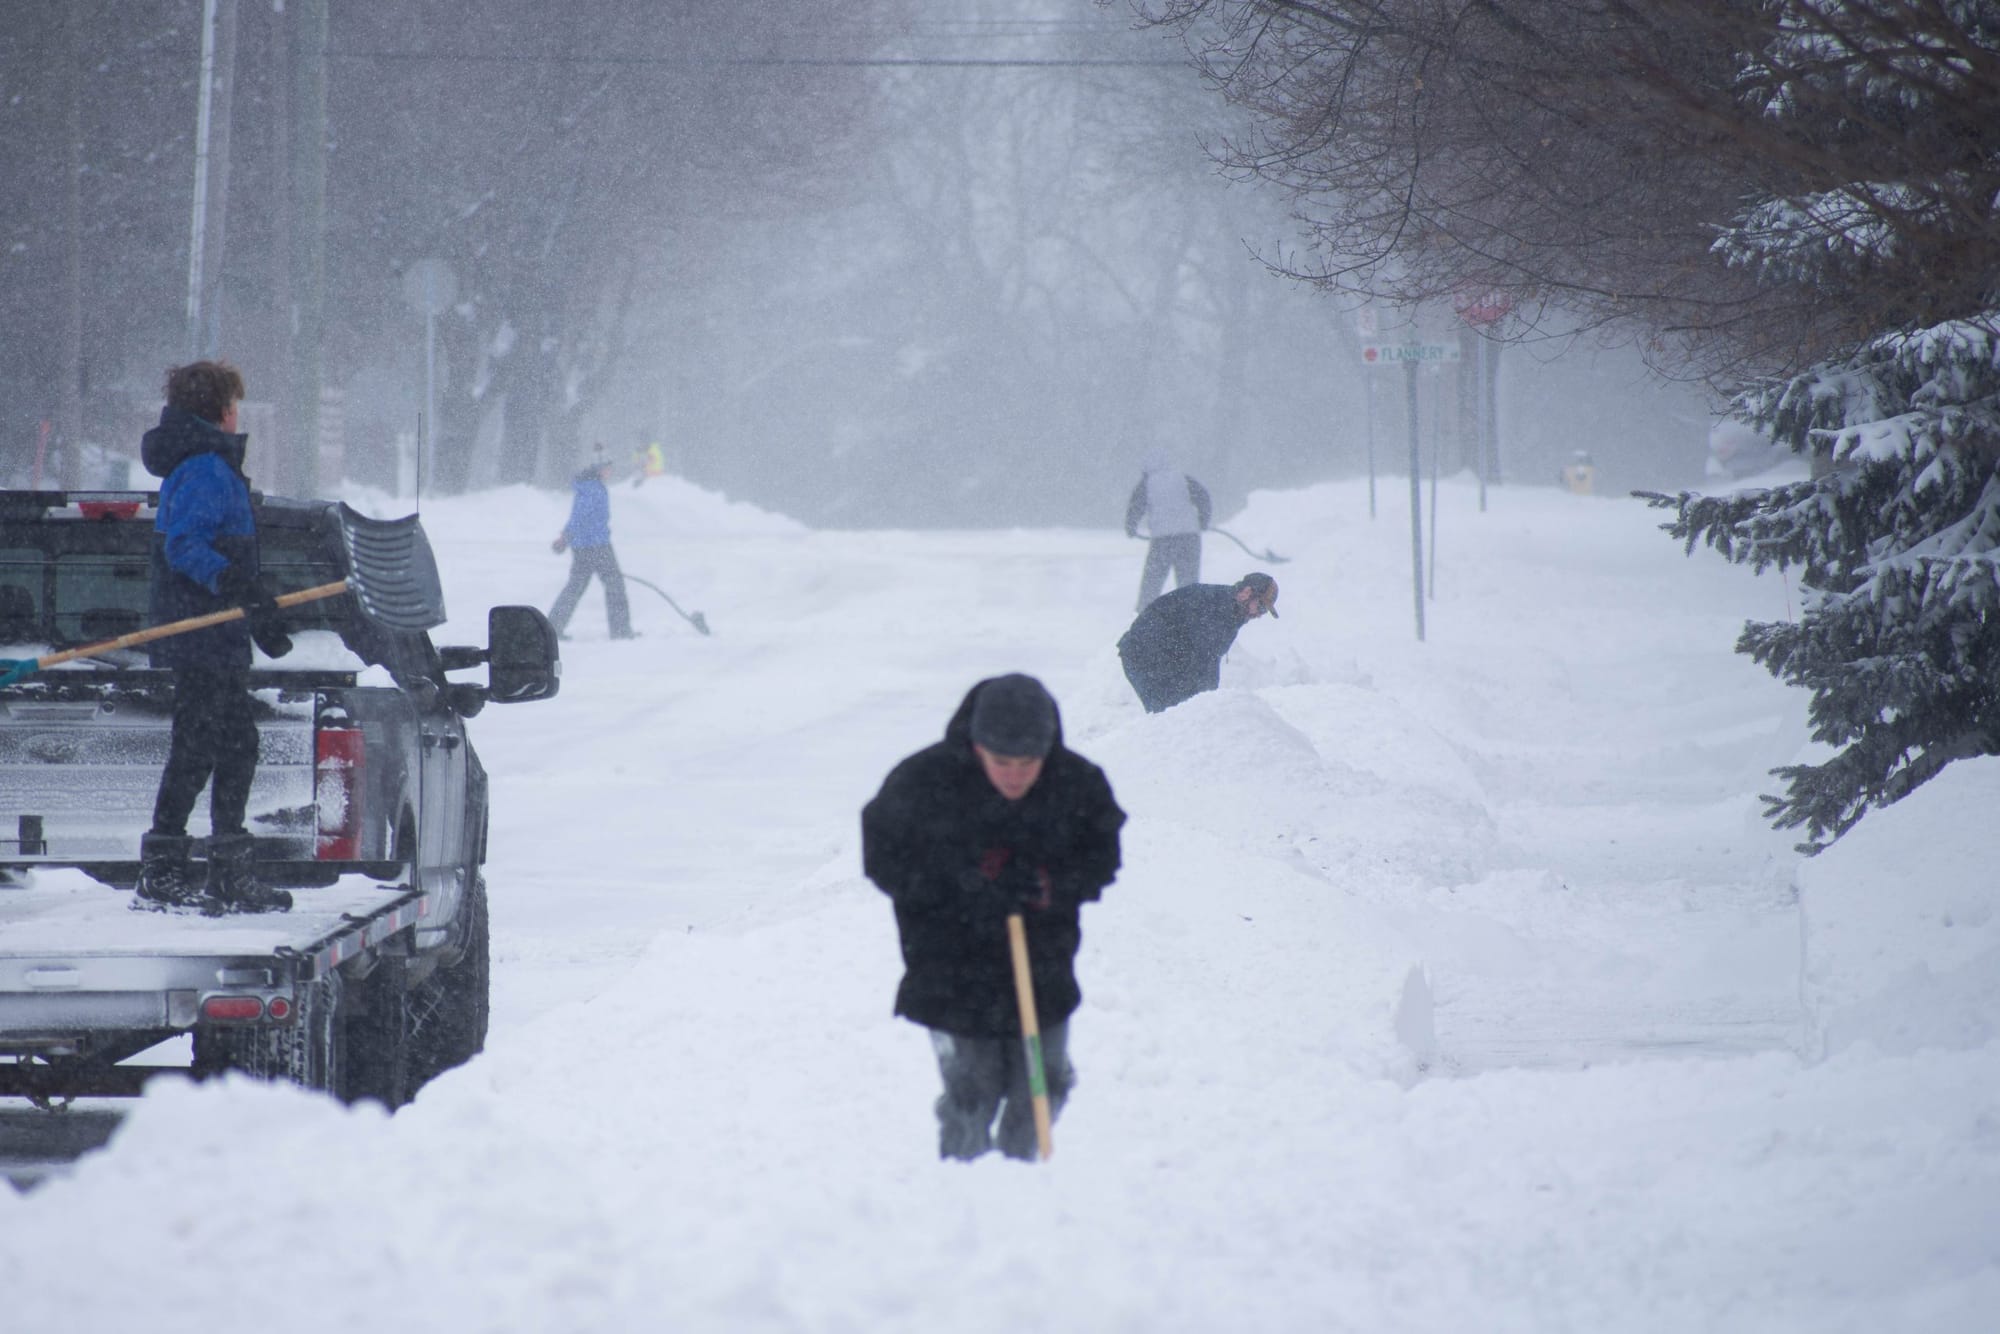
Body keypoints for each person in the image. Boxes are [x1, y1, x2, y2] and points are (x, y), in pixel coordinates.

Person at [861, 674, 1126, 1163]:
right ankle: (968, 1182)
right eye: (1001, 762)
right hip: (951, 968)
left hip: (1042, 963)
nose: (1015, 776)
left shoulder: (1075, 784)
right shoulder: (923, 783)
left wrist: (1049, 884)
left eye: (1028, 763)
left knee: (1043, 1085)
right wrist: (965, 885)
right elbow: (884, 858)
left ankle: (1023, 1176)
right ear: (977, 746)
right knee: (973, 1090)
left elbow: (1101, 854)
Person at [133, 360, 295, 914]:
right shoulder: (205, 468)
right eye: (235, 406)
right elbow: (184, 546)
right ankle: (163, 870)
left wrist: (252, 598)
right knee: (199, 745)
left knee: (234, 744)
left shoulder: (207, 465)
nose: (237, 416)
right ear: (222, 410)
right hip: (199, 632)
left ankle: (225, 870)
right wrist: (233, 583)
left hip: (218, 634)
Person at [1117, 571, 1279, 714]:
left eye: (1264, 611)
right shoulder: (1216, 609)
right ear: (1246, 592)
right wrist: (1209, 705)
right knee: (1172, 714)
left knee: (1182, 711)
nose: (1259, 615)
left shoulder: (1231, 610)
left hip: (1166, 656)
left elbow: (1204, 660)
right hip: (1144, 655)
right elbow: (1205, 660)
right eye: (1261, 607)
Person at [547, 445, 636, 640]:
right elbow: (580, 516)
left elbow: (580, 516)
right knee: (614, 585)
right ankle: (620, 630)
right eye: (607, 467)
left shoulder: (590, 486)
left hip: (585, 546)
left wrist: (567, 537)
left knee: (575, 586)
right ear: (599, 468)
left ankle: (552, 628)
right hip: (596, 545)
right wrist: (565, 536)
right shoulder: (592, 489)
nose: (610, 471)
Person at [1124, 451, 1213, 611]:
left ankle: (1144, 610)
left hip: (1162, 540)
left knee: (1153, 579)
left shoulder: (1147, 483)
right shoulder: (1183, 478)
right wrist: (1203, 521)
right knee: (1188, 580)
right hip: (1189, 537)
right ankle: (1190, 610)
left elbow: (1135, 507)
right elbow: (1203, 497)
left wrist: (1131, 527)